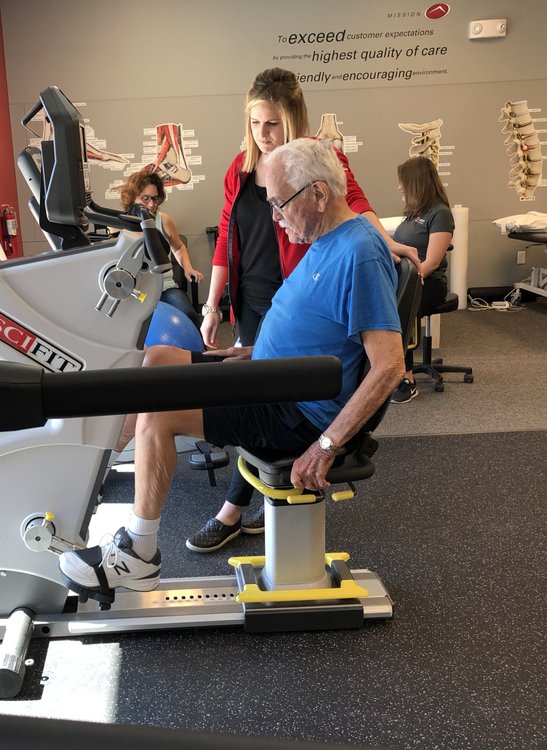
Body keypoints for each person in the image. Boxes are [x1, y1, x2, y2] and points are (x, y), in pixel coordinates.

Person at [58, 138, 405, 596]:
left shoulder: (360, 252)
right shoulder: (326, 240)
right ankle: (89, 480)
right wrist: (259, 351)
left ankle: (138, 555)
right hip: (271, 376)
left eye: (280, 204)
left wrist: (326, 445)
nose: (276, 217)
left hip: (295, 412)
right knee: (155, 360)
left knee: (158, 413)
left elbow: (389, 365)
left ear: (319, 194)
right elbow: (321, 328)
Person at [191, 67, 416, 553]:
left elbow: (350, 202)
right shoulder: (241, 169)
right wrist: (212, 305)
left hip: (301, 291)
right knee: (172, 369)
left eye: (272, 124)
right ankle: (250, 504)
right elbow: (227, 232)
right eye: (255, 124)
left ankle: (233, 509)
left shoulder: (317, 171)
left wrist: (382, 243)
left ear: (292, 119)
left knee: (178, 406)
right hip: (261, 298)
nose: (262, 134)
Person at [389, 156, 455, 405]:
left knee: (398, 312)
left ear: (416, 182)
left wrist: (409, 283)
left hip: (430, 283)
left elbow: (433, 262)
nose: (399, 187)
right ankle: (385, 371)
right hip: (410, 281)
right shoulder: (413, 214)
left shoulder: (440, 214)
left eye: (402, 182)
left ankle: (406, 380)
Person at [119, 169, 203, 324]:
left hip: (164, 287)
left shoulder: (164, 220)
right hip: (133, 291)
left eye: (155, 199)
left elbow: (178, 247)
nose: (151, 205)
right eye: (145, 199)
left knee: (188, 317)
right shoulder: (117, 226)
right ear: (132, 197)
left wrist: (188, 268)